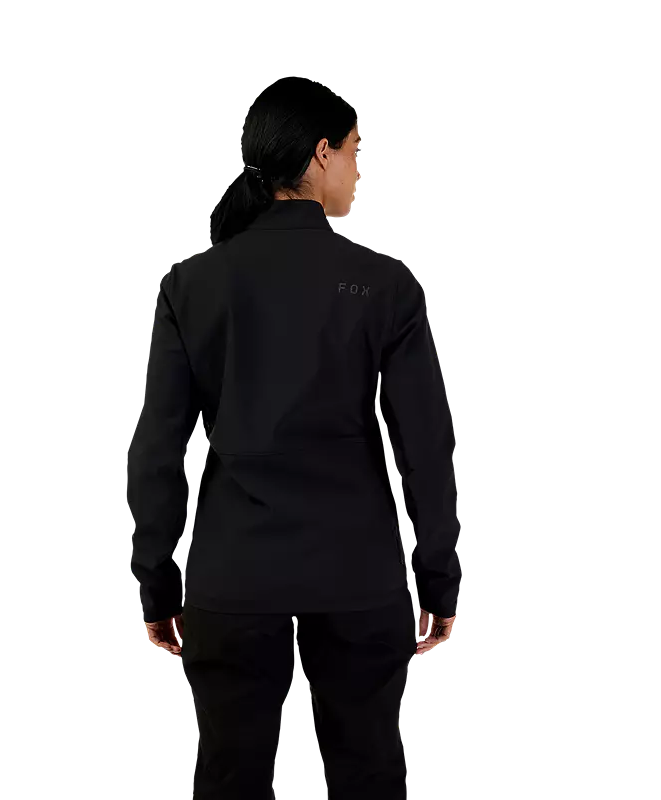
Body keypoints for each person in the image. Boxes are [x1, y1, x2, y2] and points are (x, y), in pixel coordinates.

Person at [126, 75, 462, 799]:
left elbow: (156, 448)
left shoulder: (191, 285)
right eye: (355, 151)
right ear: (320, 153)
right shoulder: (384, 285)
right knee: (369, 774)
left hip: (232, 578)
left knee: (230, 777)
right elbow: (426, 447)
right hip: (357, 578)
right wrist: (438, 573)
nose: (358, 171)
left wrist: (157, 579)